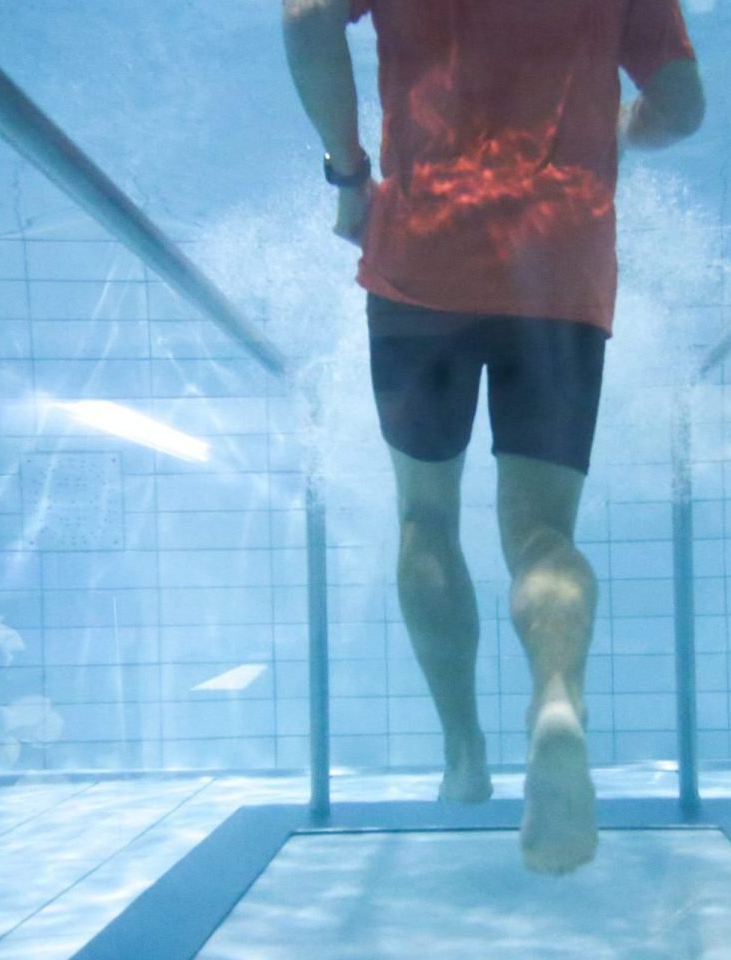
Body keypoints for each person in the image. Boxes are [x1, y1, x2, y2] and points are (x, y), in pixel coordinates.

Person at [282, 0, 704, 876]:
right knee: (541, 532)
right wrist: (620, 127)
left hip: (420, 257)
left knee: (425, 516)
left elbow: (304, 15)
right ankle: (556, 697)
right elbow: (683, 105)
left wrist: (350, 174)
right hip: (560, 261)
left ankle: (465, 756)